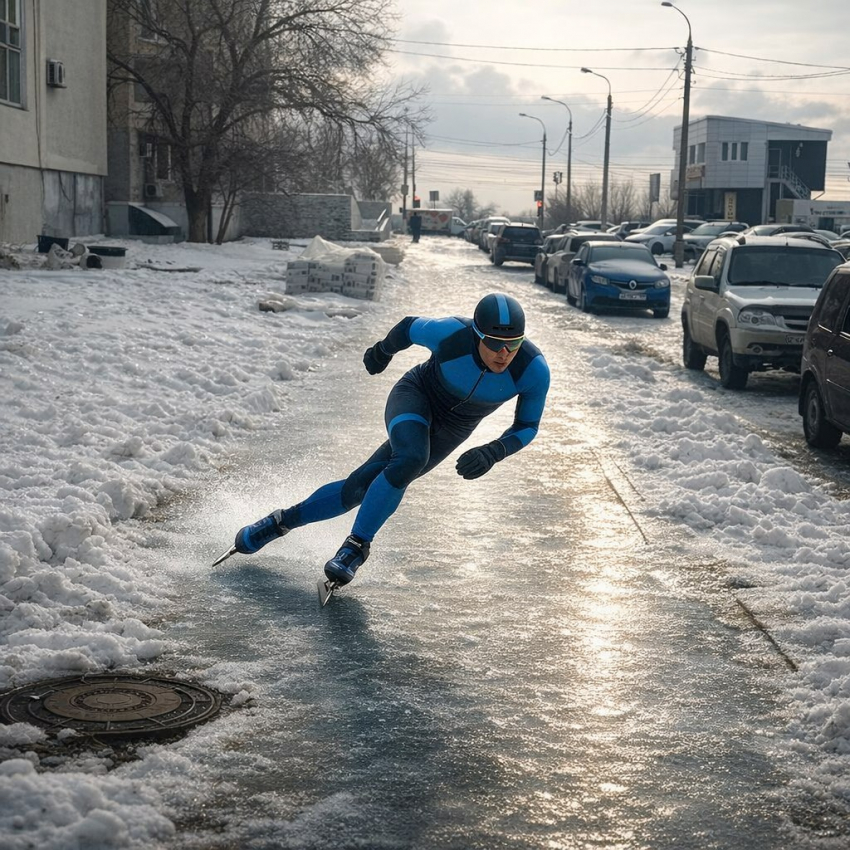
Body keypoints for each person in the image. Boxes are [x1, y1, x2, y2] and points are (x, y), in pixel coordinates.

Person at [231, 293, 550, 586]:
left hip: (454, 428)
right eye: (495, 343)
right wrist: (382, 351)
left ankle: (279, 522)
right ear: (477, 335)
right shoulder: (451, 333)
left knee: (361, 487)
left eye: (514, 343)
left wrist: (495, 451)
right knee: (411, 458)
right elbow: (410, 326)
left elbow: (527, 425)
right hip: (416, 395)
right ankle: (356, 549)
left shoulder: (533, 369)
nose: (505, 353)